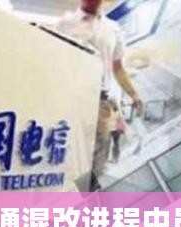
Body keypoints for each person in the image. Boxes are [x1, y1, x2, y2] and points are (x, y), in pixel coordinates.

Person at [55, 0, 143, 191]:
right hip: (71, 97)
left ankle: (87, 194)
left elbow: (118, 68)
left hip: (100, 100)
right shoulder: (65, 24)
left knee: (100, 152)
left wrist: (134, 94)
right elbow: (54, 62)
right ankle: (69, 193)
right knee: (69, 150)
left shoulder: (113, 29)